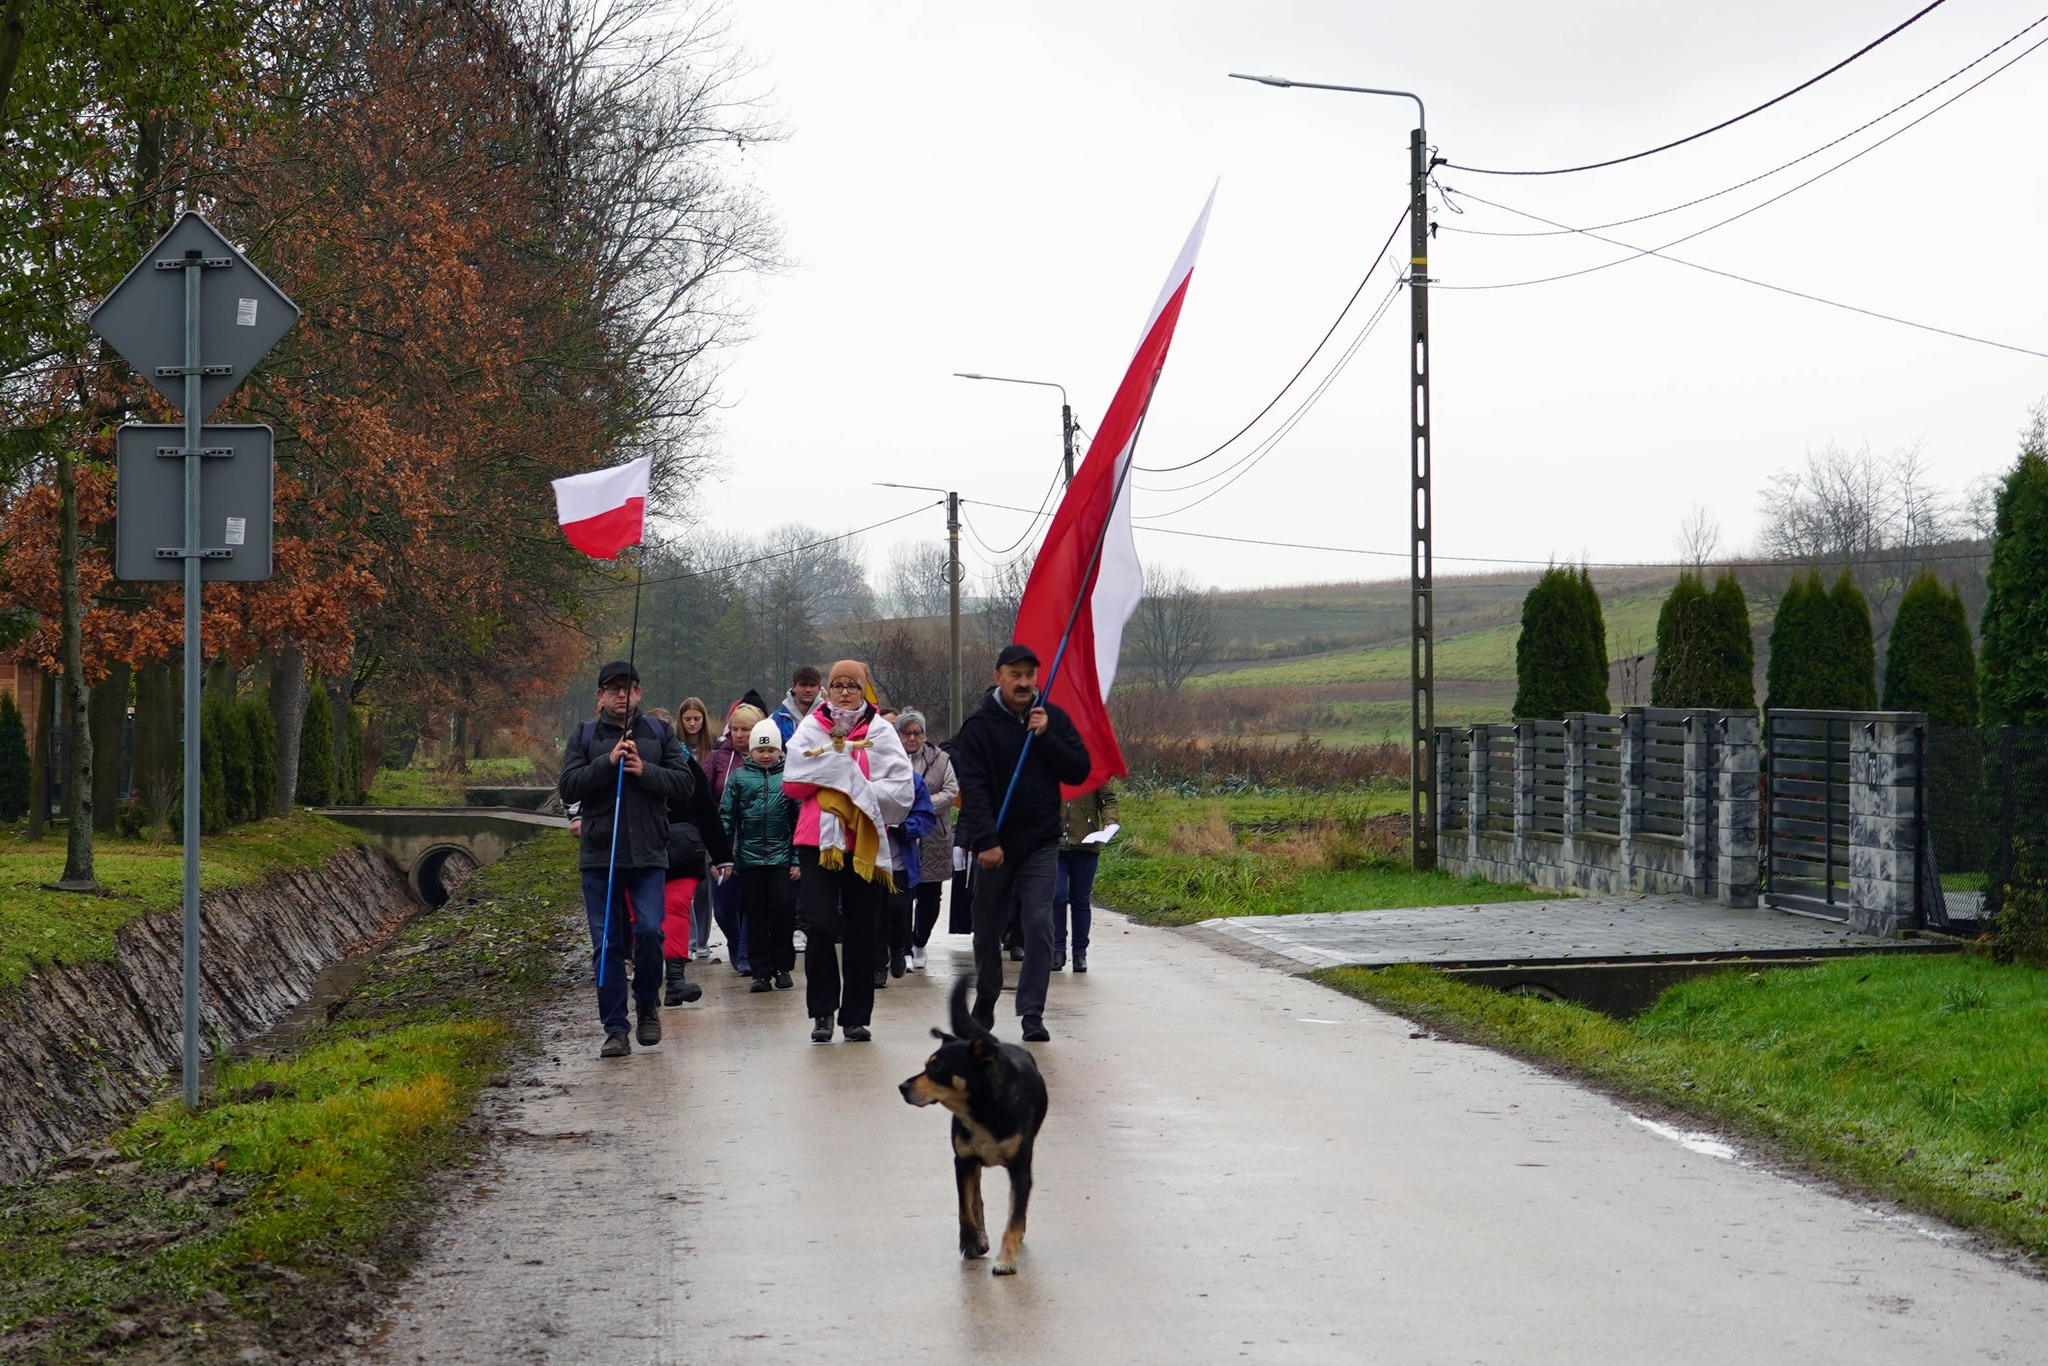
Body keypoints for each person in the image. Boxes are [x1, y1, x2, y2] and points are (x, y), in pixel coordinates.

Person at [950, 643, 1089, 1043]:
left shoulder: (1051, 718)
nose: (1024, 682)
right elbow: (973, 790)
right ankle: (987, 998)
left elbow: (1078, 770)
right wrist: (986, 841)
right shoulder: (978, 727)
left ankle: (1032, 1012)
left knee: (1039, 924)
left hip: (1040, 842)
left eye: (1030, 675)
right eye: (1016, 675)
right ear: (999, 678)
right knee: (986, 928)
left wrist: (1046, 737)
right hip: (995, 844)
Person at [558, 660, 693, 1058]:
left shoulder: (659, 732)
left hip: (649, 854)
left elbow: (685, 783)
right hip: (600, 857)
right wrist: (608, 762)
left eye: (630, 687)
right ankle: (615, 1027)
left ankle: (647, 1003)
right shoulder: (583, 735)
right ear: (600, 695)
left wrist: (644, 770)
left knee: (649, 931)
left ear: (639, 692)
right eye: (614, 688)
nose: (622, 694)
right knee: (607, 946)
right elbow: (568, 787)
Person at [781, 660, 915, 1043]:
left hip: (863, 841)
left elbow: (901, 788)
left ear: (863, 690)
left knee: (861, 930)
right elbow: (792, 781)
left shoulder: (881, 731)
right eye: (837, 685)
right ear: (828, 689)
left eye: (852, 686)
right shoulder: (812, 727)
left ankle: (855, 1017)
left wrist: (857, 788)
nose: (844, 692)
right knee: (820, 925)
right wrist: (839, 772)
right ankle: (822, 1012)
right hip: (817, 842)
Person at [658, 709, 733, 1005]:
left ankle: (676, 979)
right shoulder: (627, 758)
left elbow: (705, 807)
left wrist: (721, 856)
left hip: (682, 848)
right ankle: (647, 977)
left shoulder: (685, 762)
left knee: (676, 907)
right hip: (639, 847)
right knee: (644, 916)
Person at [721, 718, 802, 993]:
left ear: (779, 750)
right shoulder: (739, 778)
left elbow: (800, 821)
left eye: (771, 750)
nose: (766, 755)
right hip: (750, 859)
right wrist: (722, 856)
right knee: (754, 915)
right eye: (760, 750)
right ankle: (760, 971)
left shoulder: (789, 777)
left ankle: (782, 966)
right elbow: (726, 817)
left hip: (781, 859)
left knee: (783, 908)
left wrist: (797, 859)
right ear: (752, 751)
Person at [702, 696, 768, 964]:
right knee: (724, 906)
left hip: (757, 841)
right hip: (723, 841)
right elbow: (703, 798)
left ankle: (745, 952)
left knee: (752, 901)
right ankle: (735, 940)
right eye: (736, 729)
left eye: (746, 730)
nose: (740, 735)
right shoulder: (717, 757)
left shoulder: (769, 757)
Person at [896, 709, 958, 971]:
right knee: (901, 899)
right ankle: (902, 948)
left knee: (930, 899)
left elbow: (951, 791)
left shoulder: (941, 759)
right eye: (906, 733)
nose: (912, 738)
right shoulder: (890, 758)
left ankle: (919, 940)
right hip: (900, 838)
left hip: (933, 837)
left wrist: (920, 805)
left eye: (917, 733)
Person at [875, 759, 936, 988]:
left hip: (900, 863)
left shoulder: (912, 780)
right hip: (872, 862)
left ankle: (899, 948)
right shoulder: (866, 774)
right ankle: (878, 965)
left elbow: (925, 815)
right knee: (876, 914)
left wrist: (904, 828)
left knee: (898, 908)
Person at [1054, 782, 1118, 973]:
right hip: (1054, 844)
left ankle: (1079, 953)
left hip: (1086, 845)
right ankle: (1057, 949)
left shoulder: (1094, 771)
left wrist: (1110, 821)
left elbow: (1108, 800)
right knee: (1057, 896)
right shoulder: (1052, 767)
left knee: (1080, 900)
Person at [771, 665, 823, 744]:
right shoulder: (775, 719)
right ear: (793, 687)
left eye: (812, 685)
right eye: (803, 685)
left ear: (819, 688)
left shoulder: (829, 717)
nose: (808, 690)